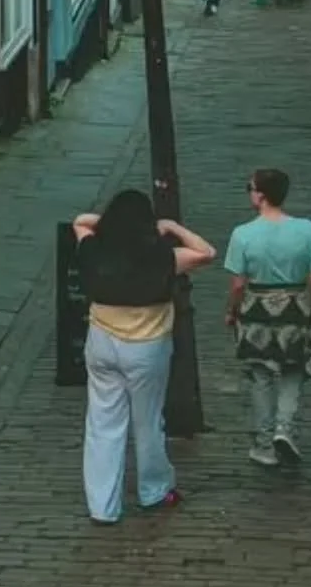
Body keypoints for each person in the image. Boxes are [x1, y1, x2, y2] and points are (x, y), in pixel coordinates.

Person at [71, 190, 216, 524]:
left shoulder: (93, 249)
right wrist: (170, 227)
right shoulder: (163, 258)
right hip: (147, 347)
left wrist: (107, 225)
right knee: (148, 421)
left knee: (102, 423)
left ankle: (103, 507)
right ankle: (154, 490)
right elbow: (206, 252)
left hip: (102, 341)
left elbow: (81, 221)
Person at [224, 168, 311, 468]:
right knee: (293, 370)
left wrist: (231, 311)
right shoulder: (307, 230)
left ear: (261, 195)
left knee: (260, 375)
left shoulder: (242, 234)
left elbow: (238, 284)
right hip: (295, 306)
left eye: (250, 188)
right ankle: (285, 428)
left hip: (257, 308)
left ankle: (263, 442)